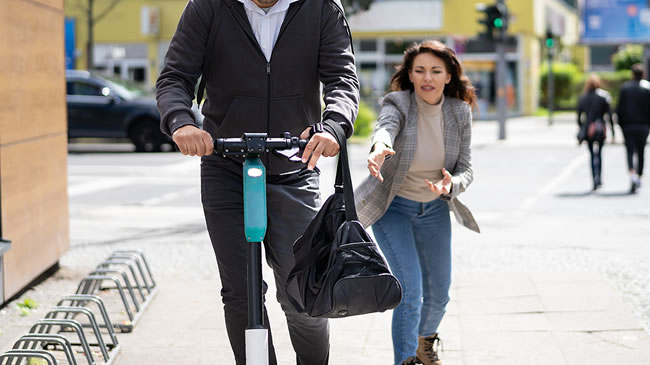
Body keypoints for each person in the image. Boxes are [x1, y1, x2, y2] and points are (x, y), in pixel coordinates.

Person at [155, 0, 359, 363]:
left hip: (295, 163)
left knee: (302, 290)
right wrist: (181, 121)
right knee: (240, 293)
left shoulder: (320, 8)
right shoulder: (208, 8)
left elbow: (342, 79)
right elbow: (175, 77)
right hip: (225, 165)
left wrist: (334, 126)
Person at [354, 40, 480, 365]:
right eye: (420, 70)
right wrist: (379, 146)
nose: (428, 77)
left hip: (435, 209)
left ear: (448, 76)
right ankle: (406, 360)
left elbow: (465, 167)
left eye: (436, 71)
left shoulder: (459, 112)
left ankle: (425, 343)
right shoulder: (398, 103)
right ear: (409, 75)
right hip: (393, 208)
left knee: (439, 294)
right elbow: (385, 127)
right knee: (410, 292)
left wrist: (453, 183)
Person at [616, 63, 650, 193]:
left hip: (628, 125)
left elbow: (619, 109)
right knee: (641, 152)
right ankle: (639, 176)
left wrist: (620, 124)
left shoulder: (625, 88)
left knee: (630, 151)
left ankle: (632, 174)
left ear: (632, 74)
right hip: (643, 126)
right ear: (643, 74)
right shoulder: (647, 88)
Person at [576, 74, 614, 190]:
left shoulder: (583, 97)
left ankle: (594, 179)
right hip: (600, 128)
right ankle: (599, 178)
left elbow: (579, 117)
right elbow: (609, 115)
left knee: (592, 154)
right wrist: (613, 132)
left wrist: (582, 128)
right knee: (600, 154)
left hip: (589, 129)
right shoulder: (604, 96)